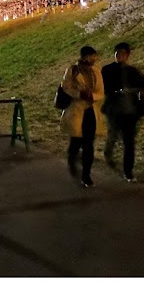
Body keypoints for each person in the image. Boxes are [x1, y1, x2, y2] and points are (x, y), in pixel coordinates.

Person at [101, 42, 144, 182]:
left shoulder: (133, 71)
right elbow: (103, 88)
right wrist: (116, 92)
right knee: (113, 135)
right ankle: (108, 154)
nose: (119, 55)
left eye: (122, 53)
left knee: (129, 142)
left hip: (130, 112)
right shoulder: (107, 70)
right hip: (114, 110)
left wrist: (132, 91)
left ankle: (128, 171)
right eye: (117, 53)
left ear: (127, 55)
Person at [61, 45, 106, 187]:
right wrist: (79, 94)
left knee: (88, 144)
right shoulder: (73, 70)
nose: (93, 58)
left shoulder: (96, 71)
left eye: (94, 56)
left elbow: (101, 91)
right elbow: (65, 86)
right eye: (90, 56)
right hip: (77, 110)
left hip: (90, 111)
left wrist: (92, 95)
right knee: (76, 141)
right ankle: (72, 158)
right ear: (83, 56)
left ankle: (86, 175)